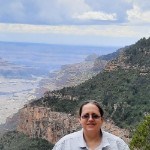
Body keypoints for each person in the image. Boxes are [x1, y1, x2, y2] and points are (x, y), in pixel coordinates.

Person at [52, 100, 130, 150]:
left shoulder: (118, 145)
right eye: (86, 116)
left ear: (102, 120)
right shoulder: (65, 144)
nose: (90, 119)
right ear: (80, 119)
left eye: (95, 116)